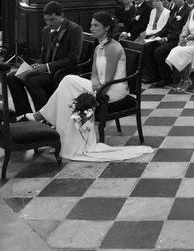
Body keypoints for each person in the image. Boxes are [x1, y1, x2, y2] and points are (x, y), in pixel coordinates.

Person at [25, 12, 152, 161]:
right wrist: (94, 81)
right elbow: (94, 74)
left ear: (107, 27)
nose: (91, 28)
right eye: (91, 24)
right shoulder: (99, 47)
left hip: (113, 90)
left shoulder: (113, 48)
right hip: (100, 85)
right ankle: (64, 137)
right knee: (67, 91)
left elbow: (108, 79)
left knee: (68, 81)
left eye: (95, 25)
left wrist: (96, 84)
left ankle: (43, 117)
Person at [8, 1, 83, 118]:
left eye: (52, 20)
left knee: (32, 81)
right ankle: (24, 114)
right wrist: (35, 65)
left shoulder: (74, 29)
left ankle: (45, 117)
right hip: (47, 69)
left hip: (63, 71)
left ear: (61, 16)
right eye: (46, 20)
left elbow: (73, 59)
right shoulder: (46, 30)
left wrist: (46, 67)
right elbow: (43, 56)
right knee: (13, 77)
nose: (49, 23)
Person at [142, 0, 192, 86]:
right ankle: (153, 76)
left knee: (159, 51)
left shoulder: (188, 11)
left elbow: (184, 31)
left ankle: (166, 78)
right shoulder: (174, 9)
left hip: (178, 39)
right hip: (167, 37)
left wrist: (166, 39)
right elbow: (166, 27)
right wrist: (156, 35)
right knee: (147, 47)